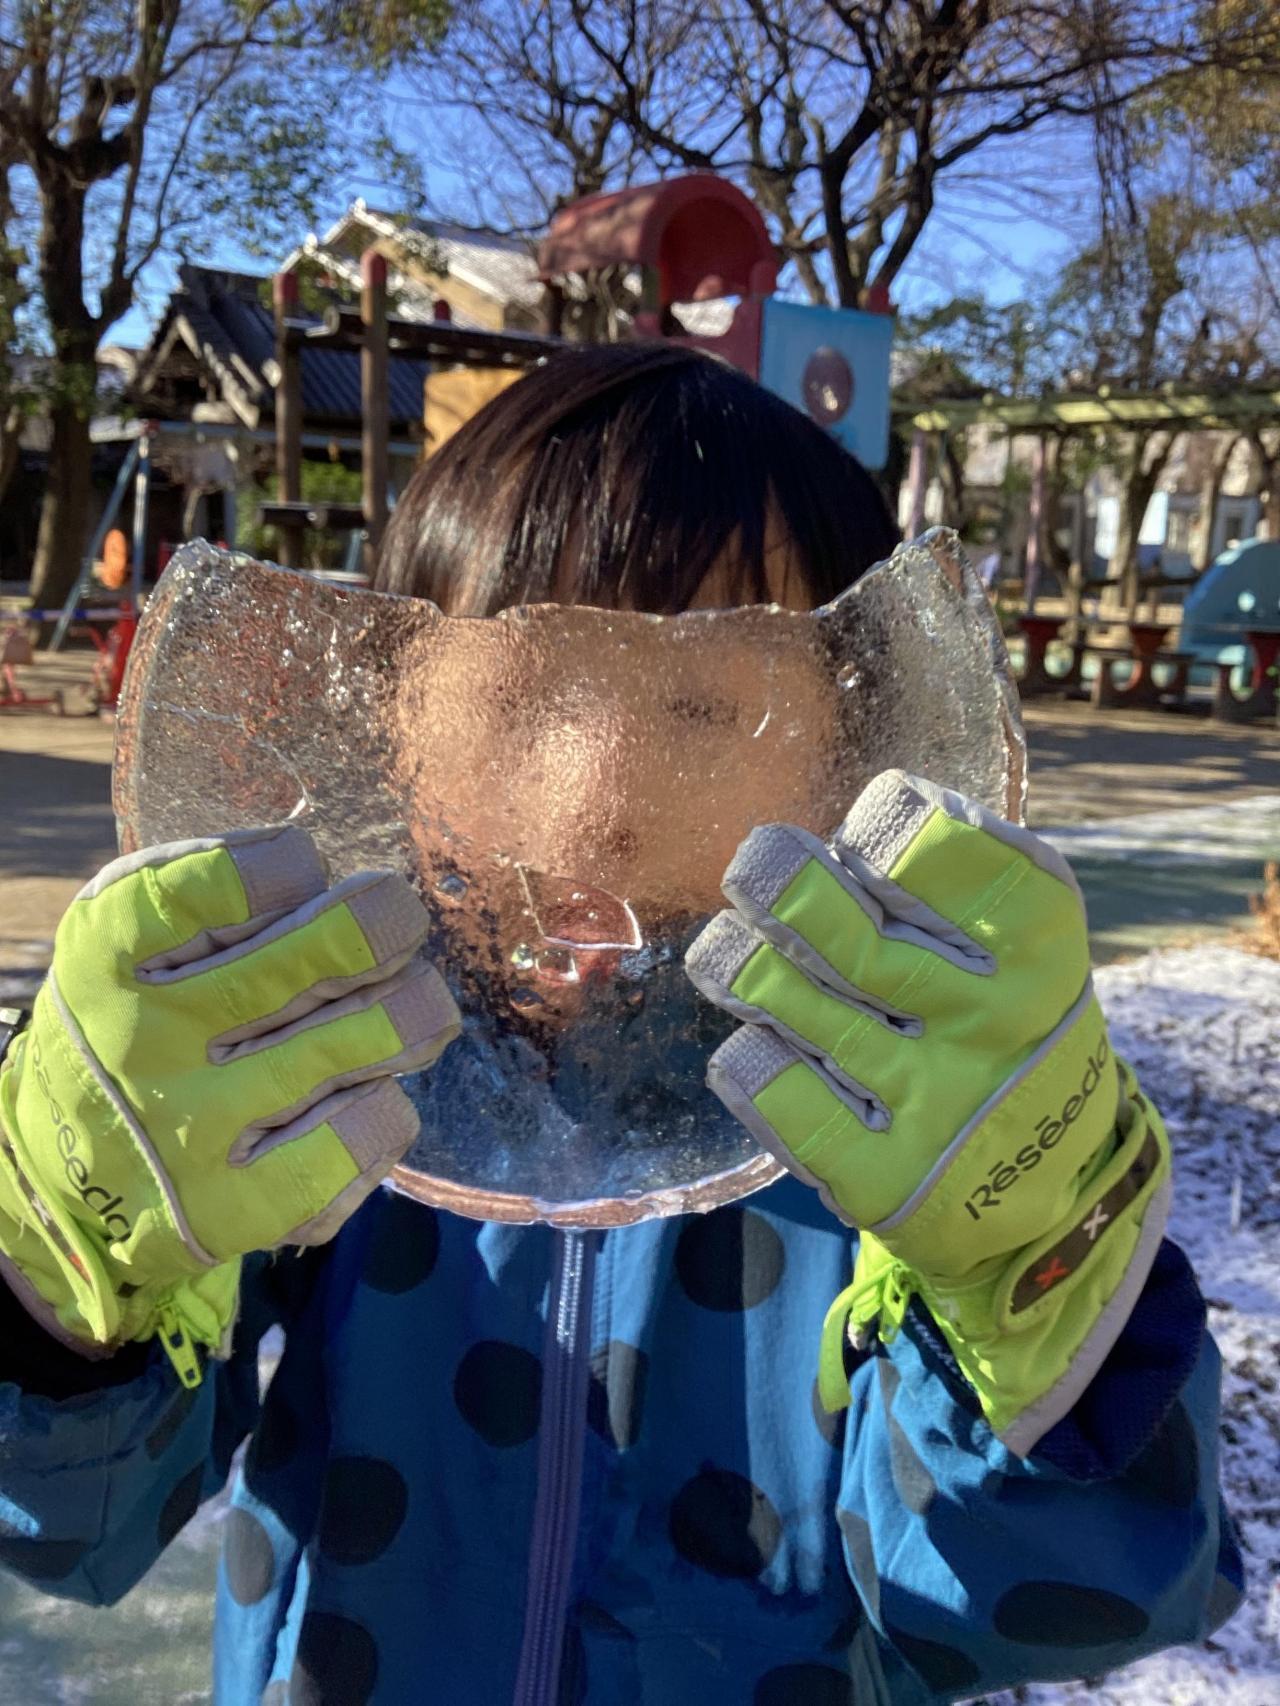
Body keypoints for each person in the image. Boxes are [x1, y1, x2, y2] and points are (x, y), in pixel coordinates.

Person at [0, 345, 1242, 1705]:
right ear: (394, 721)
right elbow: (70, 1526)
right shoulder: (315, 1074)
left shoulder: (901, 1119)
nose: (593, 804)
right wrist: (66, 1264)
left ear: (857, 750)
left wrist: (1033, 1278)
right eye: (520, 694)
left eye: (705, 706)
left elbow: (1061, 1603)